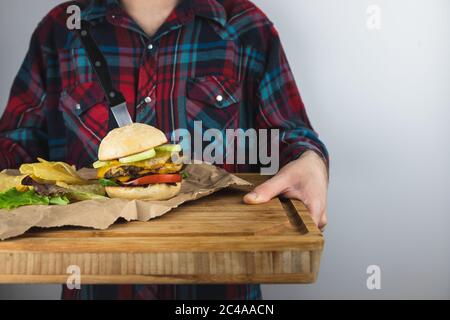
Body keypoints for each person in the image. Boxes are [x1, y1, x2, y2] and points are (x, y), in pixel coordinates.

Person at [0, 0, 329, 300]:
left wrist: (310, 161)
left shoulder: (246, 27)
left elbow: (291, 137)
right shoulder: (61, 29)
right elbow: (16, 144)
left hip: (220, 293)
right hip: (95, 288)